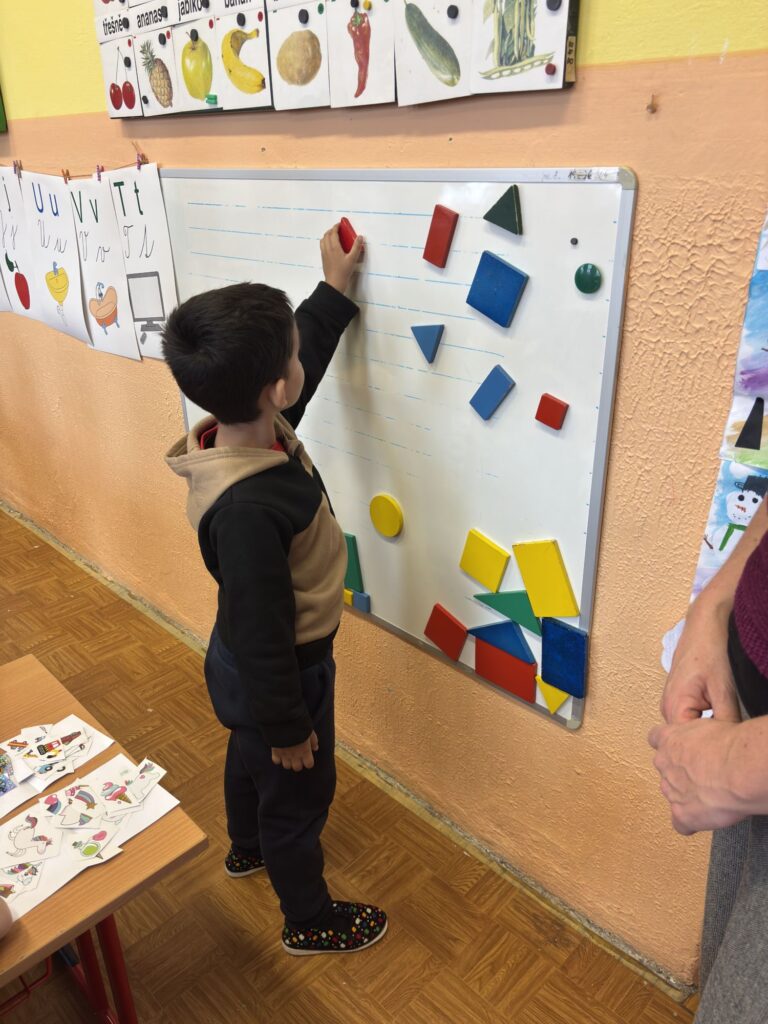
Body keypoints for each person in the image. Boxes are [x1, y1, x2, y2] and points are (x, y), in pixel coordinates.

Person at [163, 226, 387, 956]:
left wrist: (332, 291)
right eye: (290, 354)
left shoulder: (244, 433)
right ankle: (307, 918)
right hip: (281, 670)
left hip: (243, 663)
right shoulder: (250, 509)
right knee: (298, 792)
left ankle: (246, 845)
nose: (300, 360)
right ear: (273, 389)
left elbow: (303, 367)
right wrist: (291, 727)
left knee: (248, 755)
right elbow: (265, 632)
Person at [650, 492, 768, 1022]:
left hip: (743, 768)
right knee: (718, 973)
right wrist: (715, 606)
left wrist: (733, 770)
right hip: (745, 729)